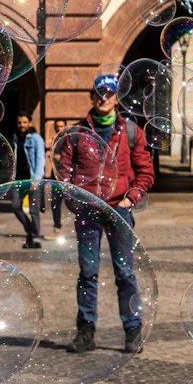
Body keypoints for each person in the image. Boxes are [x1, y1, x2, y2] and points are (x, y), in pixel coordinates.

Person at [56, 73, 155, 354]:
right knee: (87, 272)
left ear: (116, 98)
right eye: (99, 93)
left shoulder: (132, 132)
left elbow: (145, 173)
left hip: (118, 210)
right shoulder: (77, 133)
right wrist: (75, 197)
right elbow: (65, 172)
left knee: (125, 273)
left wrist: (131, 198)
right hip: (88, 211)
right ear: (92, 96)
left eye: (109, 93)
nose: (104, 98)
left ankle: (132, 330)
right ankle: (85, 332)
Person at [14, 114, 47, 249]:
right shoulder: (16, 138)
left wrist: (37, 179)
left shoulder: (36, 139)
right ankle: (30, 229)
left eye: (24, 122)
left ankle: (34, 235)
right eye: (19, 122)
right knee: (15, 206)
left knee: (34, 210)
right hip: (19, 179)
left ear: (30, 123)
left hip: (33, 179)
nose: (22, 125)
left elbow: (40, 159)